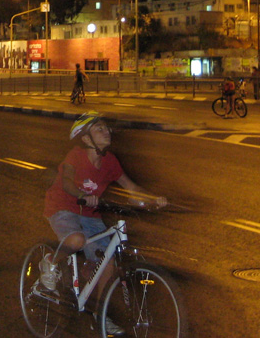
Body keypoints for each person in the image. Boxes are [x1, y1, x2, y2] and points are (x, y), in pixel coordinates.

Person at [40, 111, 167, 329]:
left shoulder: (110, 161)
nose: (106, 131)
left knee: (108, 263)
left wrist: (153, 199)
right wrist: (81, 195)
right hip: (63, 207)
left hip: (90, 214)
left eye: (106, 127)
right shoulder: (76, 155)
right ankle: (50, 262)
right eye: (99, 128)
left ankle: (100, 315)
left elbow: (131, 187)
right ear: (86, 138)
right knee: (77, 240)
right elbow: (67, 182)